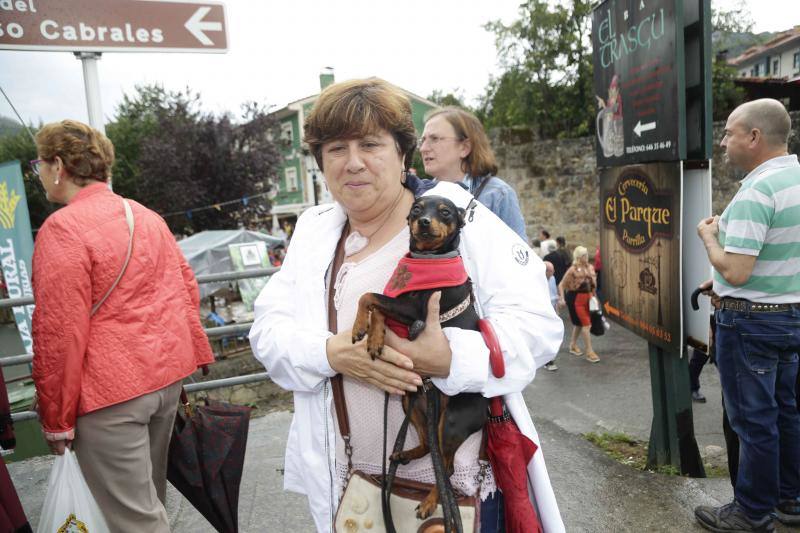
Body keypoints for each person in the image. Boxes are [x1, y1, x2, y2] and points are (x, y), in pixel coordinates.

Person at [249, 78, 565, 532]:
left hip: (455, 496)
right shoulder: (313, 231)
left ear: (402, 154)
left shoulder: (462, 217)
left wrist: (454, 357)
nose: (353, 162)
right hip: (353, 489)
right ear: (320, 162)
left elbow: (539, 326)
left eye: (370, 144)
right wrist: (331, 354)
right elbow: (267, 331)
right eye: (336, 148)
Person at [30, 120, 214, 532]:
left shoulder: (63, 229)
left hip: (110, 396)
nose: (38, 172)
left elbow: (59, 333)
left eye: (38, 164)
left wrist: (56, 420)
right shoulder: (145, 215)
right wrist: (195, 353)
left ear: (58, 165)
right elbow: (185, 289)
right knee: (148, 504)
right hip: (163, 381)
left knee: (133, 519)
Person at [693, 99, 800, 533]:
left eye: (729, 133)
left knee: (753, 420)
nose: (722, 143)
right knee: (787, 412)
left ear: (754, 137)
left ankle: (752, 512)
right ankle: (790, 499)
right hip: (790, 315)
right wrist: (717, 283)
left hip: (750, 321)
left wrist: (709, 237)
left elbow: (736, 269)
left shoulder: (758, 189)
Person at [419, 106, 528, 241]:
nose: (423, 148)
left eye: (434, 139)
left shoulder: (497, 195)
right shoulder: (419, 196)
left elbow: (519, 256)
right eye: (422, 140)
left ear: (464, 148)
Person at [558, 246, 600, 363]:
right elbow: (561, 284)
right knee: (586, 325)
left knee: (579, 324)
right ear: (578, 257)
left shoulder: (590, 267)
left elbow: (593, 284)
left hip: (589, 297)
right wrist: (562, 298)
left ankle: (572, 345)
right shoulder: (573, 269)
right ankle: (589, 352)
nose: (586, 257)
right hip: (576, 298)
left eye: (586, 254)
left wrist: (594, 297)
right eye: (584, 255)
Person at [543, 261, 559, 372]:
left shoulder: (552, 279)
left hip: (552, 310)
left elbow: (554, 295)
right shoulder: (539, 281)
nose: (553, 272)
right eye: (550, 271)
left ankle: (549, 359)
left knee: (552, 335)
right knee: (546, 336)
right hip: (543, 312)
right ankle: (548, 361)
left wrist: (557, 310)